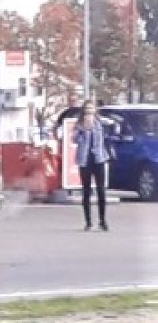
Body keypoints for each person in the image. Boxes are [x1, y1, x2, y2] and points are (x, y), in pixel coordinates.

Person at [72, 99, 112, 231]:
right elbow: (74, 139)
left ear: (95, 111)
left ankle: (102, 220)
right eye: (87, 110)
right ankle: (88, 222)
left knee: (101, 190)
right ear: (83, 112)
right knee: (86, 191)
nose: (89, 112)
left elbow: (112, 129)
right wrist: (84, 129)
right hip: (85, 161)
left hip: (99, 159)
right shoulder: (79, 125)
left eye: (91, 109)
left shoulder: (100, 123)